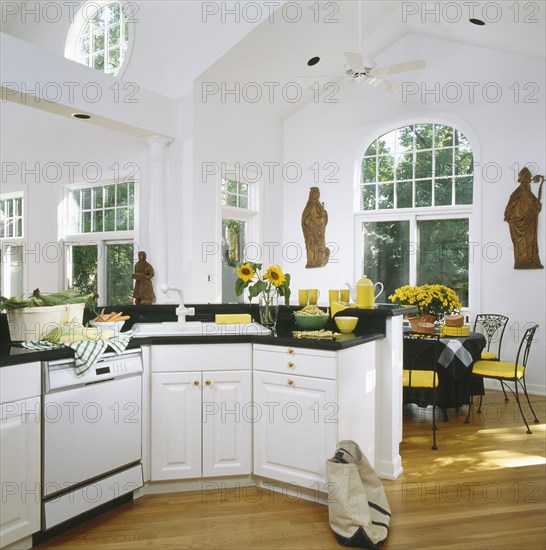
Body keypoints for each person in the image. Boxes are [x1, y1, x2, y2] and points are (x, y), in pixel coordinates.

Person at [504, 167, 543, 269]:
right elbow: (509, 208)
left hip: (530, 222)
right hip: (518, 222)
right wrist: (510, 217)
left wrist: (537, 206)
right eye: (524, 180)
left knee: (531, 240)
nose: (525, 182)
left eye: (527, 180)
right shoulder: (516, 193)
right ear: (520, 180)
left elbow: (537, 206)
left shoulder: (530, 194)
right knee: (520, 243)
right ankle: (520, 262)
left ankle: (533, 261)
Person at [301, 186, 330, 268]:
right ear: (310, 195)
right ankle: (312, 261)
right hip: (310, 231)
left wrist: (323, 215)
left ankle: (319, 260)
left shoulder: (319, 206)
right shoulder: (308, 207)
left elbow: (323, 217)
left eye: (316, 196)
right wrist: (307, 222)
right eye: (313, 195)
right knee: (311, 245)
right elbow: (304, 219)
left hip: (319, 231)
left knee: (320, 246)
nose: (315, 197)